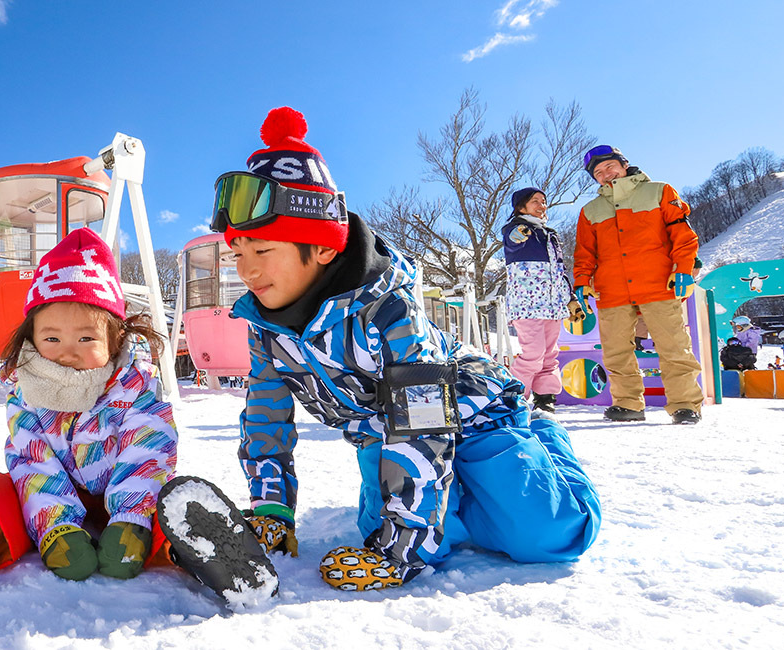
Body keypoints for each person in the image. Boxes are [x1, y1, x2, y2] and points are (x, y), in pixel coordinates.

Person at [217, 107, 600, 592]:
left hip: (474, 415)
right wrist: (271, 507)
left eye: (263, 251)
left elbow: (423, 422)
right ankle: (453, 499)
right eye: (239, 253)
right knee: (423, 530)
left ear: (324, 248)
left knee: (547, 537)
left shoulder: (389, 307)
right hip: (382, 435)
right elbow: (265, 417)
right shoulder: (264, 326)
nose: (247, 271)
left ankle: (542, 439)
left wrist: (401, 553)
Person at [0, 229, 278, 605]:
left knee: (166, 507)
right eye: (52, 338)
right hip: (46, 496)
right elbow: (32, 460)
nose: (67, 350)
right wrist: (55, 527)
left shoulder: (133, 388)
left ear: (116, 337)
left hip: (127, 492)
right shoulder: (28, 393)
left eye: (86, 338)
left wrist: (132, 518)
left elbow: (147, 449)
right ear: (31, 338)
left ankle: (203, 552)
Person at [572, 145, 703, 425]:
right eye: (598, 173)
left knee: (673, 347)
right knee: (616, 351)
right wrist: (582, 282)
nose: (606, 175)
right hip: (612, 290)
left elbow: (683, 235)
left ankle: (685, 404)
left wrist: (683, 269)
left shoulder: (659, 191)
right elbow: (584, 253)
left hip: (657, 283)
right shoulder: (590, 211)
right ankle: (627, 403)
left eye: (609, 167)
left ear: (623, 164)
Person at [501, 187, 579, 413]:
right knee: (533, 354)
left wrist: (570, 299)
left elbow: (559, 272)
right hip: (527, 305)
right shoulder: (516, 228)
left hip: (552, 306)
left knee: (549, 355)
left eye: (543, 201)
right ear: (521, 207)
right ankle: (515, 398)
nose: (541, 205)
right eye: (535, 201)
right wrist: (518, 234)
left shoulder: (550, 234)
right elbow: (512, 241)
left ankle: (545, 398)